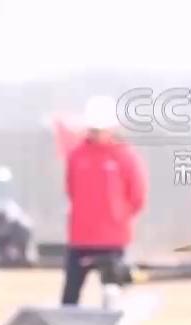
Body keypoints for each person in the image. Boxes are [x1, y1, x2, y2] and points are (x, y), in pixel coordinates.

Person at [61, 95, 144, 308]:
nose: (97, 134)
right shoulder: (77, 155)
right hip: (80, 238)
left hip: (112, 241)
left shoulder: (125, 156)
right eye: (93, 129)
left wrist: (117, 217)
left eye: (101, 129)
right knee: (70, 297)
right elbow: (71, 189)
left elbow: (137, 196)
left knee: (112, 296)